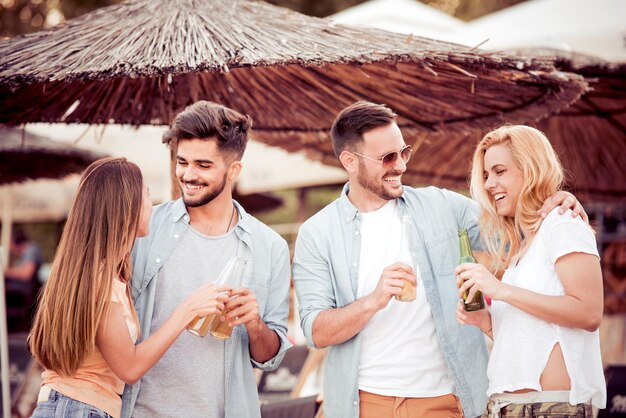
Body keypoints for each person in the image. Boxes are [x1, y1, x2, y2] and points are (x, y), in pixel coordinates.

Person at [292, 101, 587, 418]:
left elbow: (518, 230)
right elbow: (315, 331)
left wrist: (553, 199)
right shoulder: (317, 233)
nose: (401, 165)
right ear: (350, 161)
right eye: (387, 158)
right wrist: (373, 301)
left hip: (445, 402)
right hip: (363, 405)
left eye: (403, 152)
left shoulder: (444, 206)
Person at [122, 101, 292, 418]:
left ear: (234, 170)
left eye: (203, 165)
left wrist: (255, 326)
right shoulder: (143, 229)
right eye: (182, 161)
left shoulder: (271, 248)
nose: (188, 175)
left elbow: (269, 357)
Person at [28, 157, 227, 418]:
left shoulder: (93, 273)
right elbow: (129, 368)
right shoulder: (101, 281)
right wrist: (188, 310)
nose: (152, 206)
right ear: (126, 206)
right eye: (147, 195)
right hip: (78, 408)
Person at [456, 125, 606, 417]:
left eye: (499, 171)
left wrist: (501, 290)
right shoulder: (522, 251)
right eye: (487, 175)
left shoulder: (563, 224)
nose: (489, 184)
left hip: (551, 408)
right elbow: (530, 336)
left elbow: (589, 313)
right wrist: (485, 322)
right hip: (504, 408)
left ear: (531, 169)